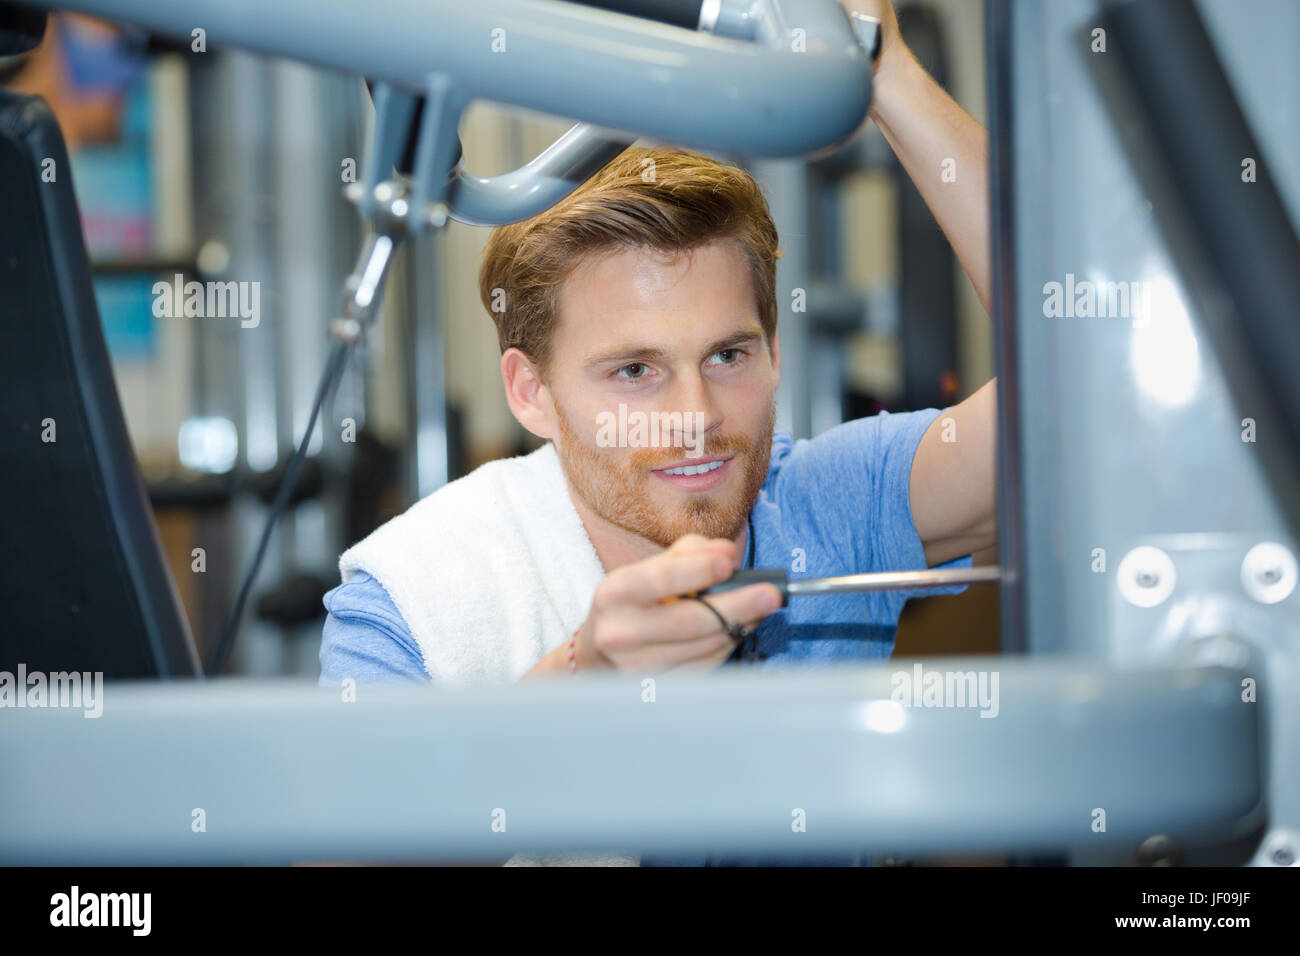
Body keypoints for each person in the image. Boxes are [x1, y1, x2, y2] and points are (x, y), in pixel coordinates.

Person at [320, 0, 996, 866]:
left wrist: (887, 66)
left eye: (726, 354)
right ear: (531, 393)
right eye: (634, 370)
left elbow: (1079, 383)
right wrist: (586, 684)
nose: (700, 417)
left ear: (776, 351)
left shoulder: (832, 507)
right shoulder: (412, 598)